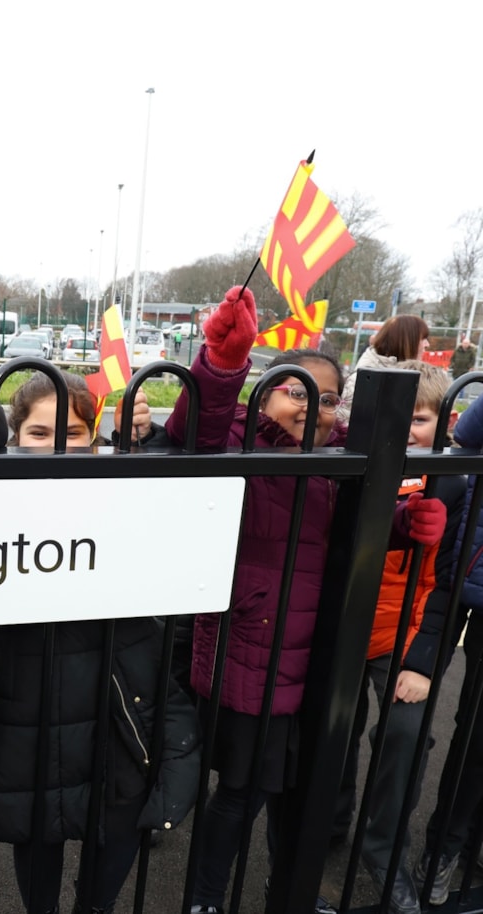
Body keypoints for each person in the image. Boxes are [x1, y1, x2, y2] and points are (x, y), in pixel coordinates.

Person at [168, 288, 435, 914]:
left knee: (303, 792)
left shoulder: (343, 454)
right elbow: (192, 432)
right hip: (253, 649)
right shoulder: (237, 439)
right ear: (265, 394)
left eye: (329, 397)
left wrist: (403, 526)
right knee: (242, 793)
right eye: (298, 390)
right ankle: (205, 899)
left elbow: (351, 528)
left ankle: (288, 891)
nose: (315, 406)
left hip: (320, 657)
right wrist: (222, 365)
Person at [0, 371, 200, 914]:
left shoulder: (117, 485)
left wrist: (144, 440)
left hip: (116, 684)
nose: (57, 445)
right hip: (25, 687)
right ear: (14, 436)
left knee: (122, 810)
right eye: (39, 433)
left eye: (74, 432)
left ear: (94, 436)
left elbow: (175, 483)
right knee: (37, 822)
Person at [331, 360, 459, 914]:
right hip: (340, 625)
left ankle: (382, 849)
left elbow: (447, 583)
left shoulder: (454, 480)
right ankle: (330, 820)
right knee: (334, 730)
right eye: (399, 416)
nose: (408, 429)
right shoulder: (346, 460)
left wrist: (423, 662)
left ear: (445, 423)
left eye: (421, 419)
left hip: (403, 634)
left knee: (408, 734)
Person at [414, 386, 483, 905]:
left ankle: (458, 844)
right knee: (470, 729)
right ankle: (443, 848)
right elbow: (467, 437)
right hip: (469, 573)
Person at [339, 315, 430, 422]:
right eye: (423, 339)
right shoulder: (363, 380)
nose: (427, 344)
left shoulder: (407, 375)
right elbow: (347, 426)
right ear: (406, 341)